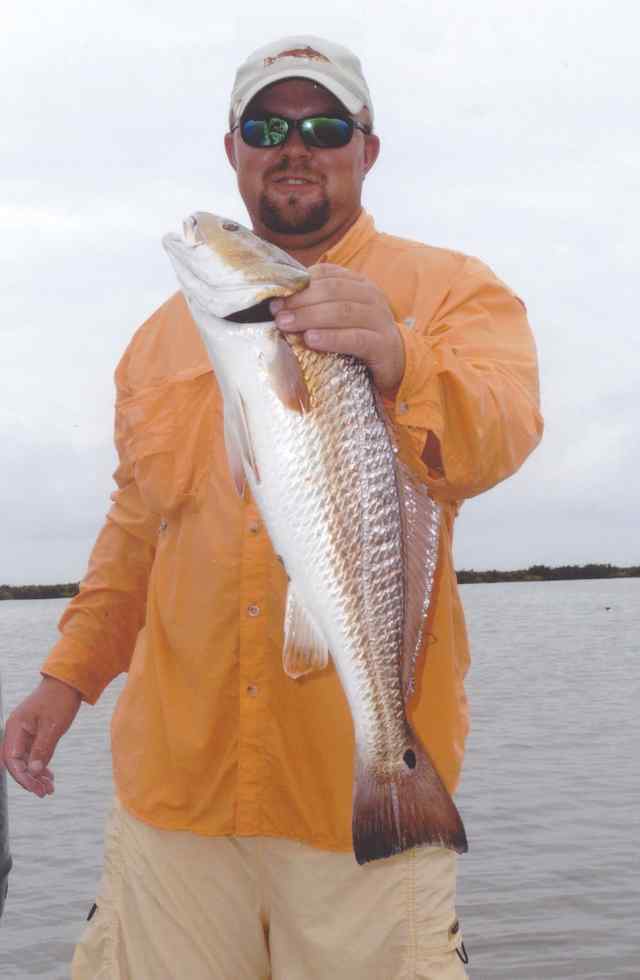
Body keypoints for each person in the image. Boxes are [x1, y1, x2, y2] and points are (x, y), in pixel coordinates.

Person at [2, 35, 543, 979]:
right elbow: (136, 532)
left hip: (353, 803)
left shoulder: (452, 290)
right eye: (268, 125)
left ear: (366, 150)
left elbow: (502, 432)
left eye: (325, 125)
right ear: (235, 148)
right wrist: (68, 677)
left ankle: (396, 775)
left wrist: (404, 355)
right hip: (175, 800)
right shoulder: (158, 341)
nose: (295, 144)